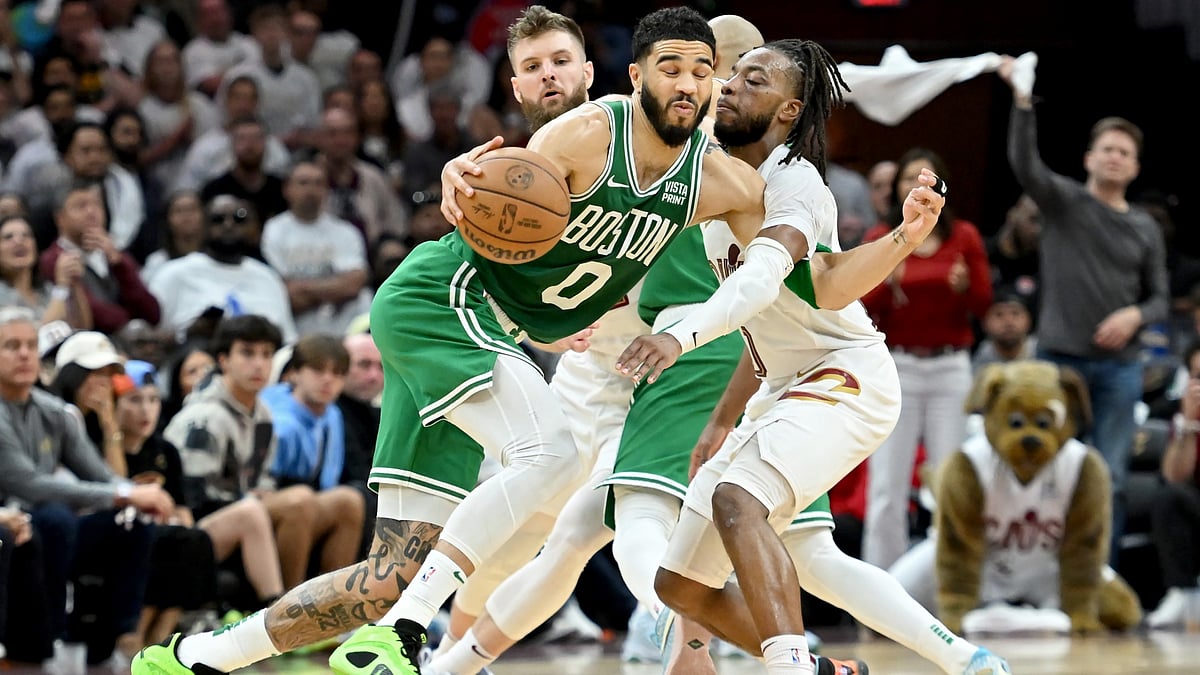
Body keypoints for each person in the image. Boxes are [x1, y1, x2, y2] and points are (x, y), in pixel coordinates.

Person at [132, 7, 768, 674]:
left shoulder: (719, 181)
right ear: (635, 77)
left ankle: (194, 658)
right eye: (672, 69)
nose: (691, 83)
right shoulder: (582, 134)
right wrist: (454, 176)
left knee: (385, 574)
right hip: (445, 301)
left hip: (472, 331)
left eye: (705, 71)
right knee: (549, 451)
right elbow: (516, 182)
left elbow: (780, 257)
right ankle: (406, 630)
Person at [613, 41, 1008, 675]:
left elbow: (762, 284)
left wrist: (678, 337)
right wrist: (721, 421)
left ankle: (793, 667)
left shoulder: (795, 180)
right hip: (785, 383)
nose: (730, 85)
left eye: (753, 78)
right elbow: (815, 293)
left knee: (739, 501)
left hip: (846, 374)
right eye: (731, 75)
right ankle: (943, 663)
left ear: (790, 109)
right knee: (681, 585)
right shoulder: (717, 176)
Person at [998, 55, 1169, 563]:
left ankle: (1099, 582)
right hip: (1058, 360)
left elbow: (1160, 296)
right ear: (1090, 158)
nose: (1115, 157)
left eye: (1125, 152)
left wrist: (1134, 315)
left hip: (1120, 369)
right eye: (1107, 149)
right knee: (1047, 474)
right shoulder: (1065, 202)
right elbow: (1026, 165)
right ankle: (1045, 578)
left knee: (1109, 477)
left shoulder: (1146, 228)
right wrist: (1024, 102)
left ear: (1135, 167)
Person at [0, 307, 174, 664]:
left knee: (133, 520)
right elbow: (30, 485)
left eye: (31, 346)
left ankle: (113, 638)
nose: (24, 355)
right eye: (12, 346)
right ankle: (51, 636)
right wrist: (126, 492)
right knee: (55, 517)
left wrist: (137, 497)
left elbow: (99, 473)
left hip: (48, 522)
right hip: (14, 519)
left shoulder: (53, 412)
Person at [859, 147, 993, 572]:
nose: (918, 187)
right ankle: (882, 596)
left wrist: (965, 287)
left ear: (942, 189)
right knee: (886, 488)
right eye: (908, 180)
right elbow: (855, 306)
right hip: (895, 366)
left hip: (950, 367)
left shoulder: (964, 237)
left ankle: (954, 588)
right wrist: (887, 282)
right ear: (896, 190)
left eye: (928, 180)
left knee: (951, 484)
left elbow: (986, 305)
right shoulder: (881, 237)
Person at [1145, 338, 1200, 627]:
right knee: (1170, 498)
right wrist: (1190, 424)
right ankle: (1184, 595)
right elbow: (1174, 476)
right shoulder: (1185, 418)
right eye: (1197, 376)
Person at [0, 214, 91, 328]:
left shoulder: (45, 289)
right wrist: (62, 286)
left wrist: (74, 283)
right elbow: (36, 336)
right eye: (8, 237)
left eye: (26, 235)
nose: (19, 241)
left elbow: (82, 327)